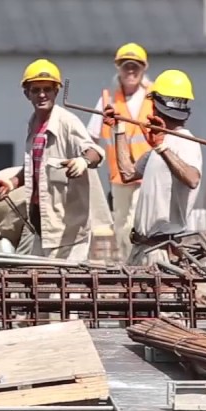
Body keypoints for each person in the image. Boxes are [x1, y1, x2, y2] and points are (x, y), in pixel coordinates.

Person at [0, 59, 108, 261]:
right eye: (36, 90)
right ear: (26, 93)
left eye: (47, 89)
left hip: (68, 233)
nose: (42, 95)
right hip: (43, 229)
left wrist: (83, 161)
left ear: (56, 92)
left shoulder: (66, 123)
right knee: (41, 287)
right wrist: (11, 183)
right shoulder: (34, 126)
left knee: (64, 291)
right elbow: (36, 171)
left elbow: (95, 152)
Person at [103, 69, 203, 267]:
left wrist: (161, 147)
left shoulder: (185, 141)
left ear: (156, 104)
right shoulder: (161, 143)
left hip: (162, 250)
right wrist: (119, 128)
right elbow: (128, 173)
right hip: (143, 247)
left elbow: (192, 178)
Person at [87, 43, 154, 261]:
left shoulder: (153, 98)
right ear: (119, 69)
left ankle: (142, 268)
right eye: (126, 67)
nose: (131, 71)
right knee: (121, 226)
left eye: (135, 67)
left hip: (147, 175)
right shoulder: (108, 101)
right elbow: (92, 137)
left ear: (143, 69)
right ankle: (131, 268)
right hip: (118, 177)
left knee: (138, 223)